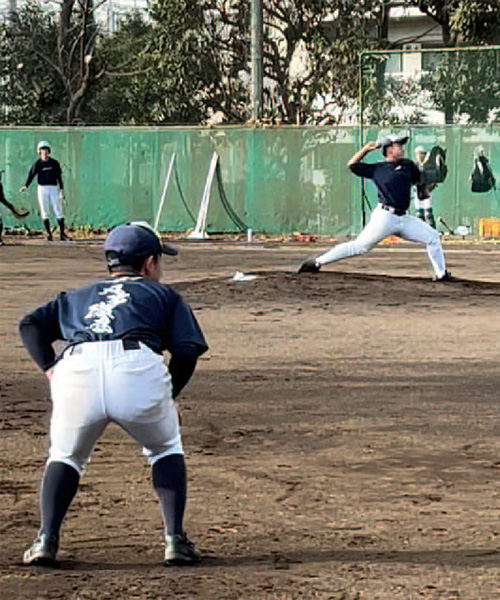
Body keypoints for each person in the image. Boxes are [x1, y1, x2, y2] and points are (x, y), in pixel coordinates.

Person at [19, 221, 208, 567]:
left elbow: (30, 324)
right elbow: (186, 350)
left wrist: (50, 369)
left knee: (65, 456)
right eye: (159, 261)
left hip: (77, 367)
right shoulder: (164, 294)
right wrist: (169, 395)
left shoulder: (77, 296)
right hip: (136, 367)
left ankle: (46, 540)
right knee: (165, 447)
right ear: (149, 264)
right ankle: (175, 540)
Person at [298, 135, 451, 281]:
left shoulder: (408, 165)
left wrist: (427, 187)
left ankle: (441, 274)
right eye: (398, 145)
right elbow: (352, 165)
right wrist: (366, 149)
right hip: (385, 218)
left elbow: (420, 185)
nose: (402, 147)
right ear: (388, 149)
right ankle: (317, 262)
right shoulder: (377, 169)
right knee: (359, 247)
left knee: (432, 237)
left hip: (404, 219)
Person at [20, 141, 70, 241]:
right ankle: (48, 233)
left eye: (46, 150)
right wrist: (26, 185)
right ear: (39, 152)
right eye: (42, 151)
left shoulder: (54, 163)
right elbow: (31, 175)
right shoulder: (37, 164)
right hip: (42, 188)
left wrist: (61, 190)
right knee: (44, 210)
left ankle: (62, 234)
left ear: (49, 151)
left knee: (58, 210)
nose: (44, 153)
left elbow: (59, 177)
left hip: (53, 188)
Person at [413, 146, 437, 228]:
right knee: (419, 214)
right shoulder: (414, 166)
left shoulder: (429, 166)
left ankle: (432, 231)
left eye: (422, 154)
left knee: (428, 213)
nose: (419, 156)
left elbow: (434, 179)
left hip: (427, 192)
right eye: (418, 154)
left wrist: (430, 187)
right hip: (417, 192)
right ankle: (420, 232)